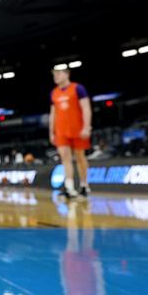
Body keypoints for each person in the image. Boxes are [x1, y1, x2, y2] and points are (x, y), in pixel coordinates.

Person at [49, 67, 92, 199]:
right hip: (61, 131)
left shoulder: (78, 88)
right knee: (65, 158)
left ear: (67, 74)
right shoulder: (54, 93)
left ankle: (84, 185)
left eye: (58, 73)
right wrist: (51, 132)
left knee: (80, 157)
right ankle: (69, 187)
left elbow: (86, 108)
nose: (56, 76)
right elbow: (53, 114)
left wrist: (86, 126)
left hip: (78, 129)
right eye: (54, 74)